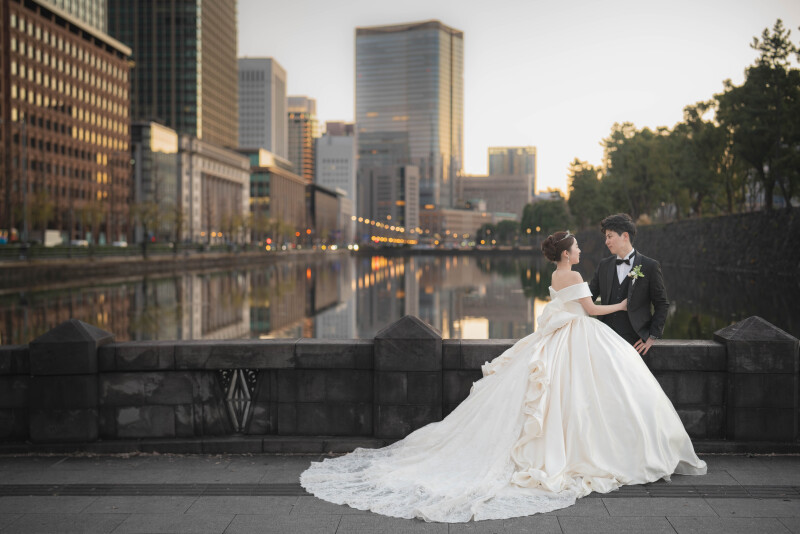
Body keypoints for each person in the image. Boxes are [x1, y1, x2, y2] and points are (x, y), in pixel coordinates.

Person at [300, 231, 706, 523]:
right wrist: (620, 303)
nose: (583, 248)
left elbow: (576, 304)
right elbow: (592, 310)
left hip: (566, 335)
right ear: (566, 253)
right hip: (580, 334)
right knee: (584, 397)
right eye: (577, 245)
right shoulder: (576, 276)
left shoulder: (559, 276)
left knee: (560, 396)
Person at [589, 213, 668, 354]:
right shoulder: (604, 265)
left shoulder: (650, 266)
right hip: (604, 341)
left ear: (625, 236)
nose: (606, 242)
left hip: (634, 344)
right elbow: (588, 298)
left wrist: (651, 336)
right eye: (606, 237)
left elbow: (661, 304)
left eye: (609, 236)